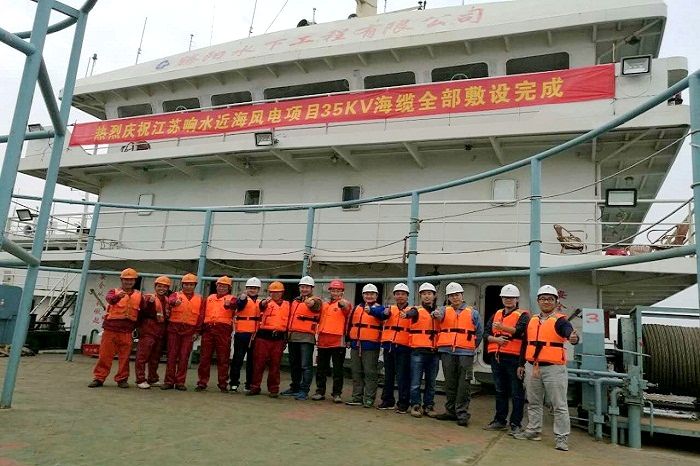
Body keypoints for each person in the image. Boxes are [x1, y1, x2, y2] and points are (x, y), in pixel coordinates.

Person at [514, 285, 580, 452]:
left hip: (554, 369)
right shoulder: (532, 320)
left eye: (550, 299)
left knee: (559, 405)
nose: (546, 302)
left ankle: (562, 438)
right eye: (543, 299)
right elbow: (526, 343)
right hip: (532, 367)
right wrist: (521, 364)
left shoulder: (561, 321)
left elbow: (569, 333)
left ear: (556, 302)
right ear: (538, 301)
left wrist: (573, 338)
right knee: (533, 402)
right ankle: (533, 431)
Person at [432, 282, 482, 427]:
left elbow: (479, 333)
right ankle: (450, 411)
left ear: (462, 295)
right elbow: (437, 315)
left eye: (457, 295)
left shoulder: (473, 312)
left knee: (464, 384)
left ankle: (462, 413)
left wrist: (470, 346)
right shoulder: (443, 310)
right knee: (450, 383)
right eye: (452, 295)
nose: (455, 297)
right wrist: (435, 314)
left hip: (465, 353)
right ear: (448, 297)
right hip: (447, 351)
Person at [483, 284, 530, 435]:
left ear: (517, 299)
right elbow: (485, 333)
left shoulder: (523, 315)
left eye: (511, 298)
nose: (508, 300)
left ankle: (516, 423)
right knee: (500, 390)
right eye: (505, 297)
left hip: (514, 359)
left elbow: (521, 332)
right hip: (497, 357)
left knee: (517, 392)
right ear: (502, 299)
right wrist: (495, 340)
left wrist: (502, 328)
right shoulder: (496, 314)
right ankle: (499, 420)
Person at [89, 268, 144, 388]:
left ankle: (122, 379)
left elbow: (142, 312)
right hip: (110, 329)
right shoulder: (113, 292)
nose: (128, 282)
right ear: (121, 280)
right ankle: (99, 378)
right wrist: (118, 296)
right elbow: (110, 300)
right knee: (105, 355)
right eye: (126, 280)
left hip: (127, 331)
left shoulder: (139, 295)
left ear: (135, 281)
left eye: (131, 280)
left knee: (125, 357)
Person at [281, 276, 322, 401]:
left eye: (307, 287)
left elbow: (315, 305)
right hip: (293, 337)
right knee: (294, 365)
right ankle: (295, 387)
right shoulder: (295, 301)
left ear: (312, 288)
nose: (304, 289)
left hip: (306, 338)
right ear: (299, 288)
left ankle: (304, 391)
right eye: (302, 287)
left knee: (306, 366)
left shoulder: (316, 300)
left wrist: (310, 302)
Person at [346, 284, 387, 408]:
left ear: (376, 296)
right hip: (356, 344)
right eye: (367, 294)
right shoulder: (356, 308)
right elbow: (350, 324)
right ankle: (357, 397)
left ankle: (369, 398)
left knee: (370, 372)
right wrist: (348, 339)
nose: (369, 296)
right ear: (363, 295)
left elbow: (383, 315)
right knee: (356, 372)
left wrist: (371, 311)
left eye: (372, 294)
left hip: (371, 345)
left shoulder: (381, 309)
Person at [248, 281, 290, 397]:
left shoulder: (288, 305)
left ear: (282, 293)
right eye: (273, 292)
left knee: (275, 365)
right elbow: (261, 306)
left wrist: (286, 338)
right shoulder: (265, 303)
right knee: (258, 363)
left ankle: (274, 389)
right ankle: (255, 387)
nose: (275, 294)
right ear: (269, 293)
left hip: (279, 338)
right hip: (263, 337)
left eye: (278, 292)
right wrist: (265, 302)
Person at [404, 282, 440, 418]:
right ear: (420, 296)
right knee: (415, 382)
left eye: (429, 293)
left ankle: (429, 406)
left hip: (434, 352)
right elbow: (410, 313)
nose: (426, 296)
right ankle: (415, 405)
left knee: (431, 383)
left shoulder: (439, 312)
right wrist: (406, 315)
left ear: (434, 295)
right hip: (418, 351)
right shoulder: (416, 311)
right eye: (424, 294)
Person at [312, 279, 351, 403]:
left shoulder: (345, 303)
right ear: (330, 291)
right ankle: (320, 391)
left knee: (338, 369)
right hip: (323, 339)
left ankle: (337, 393)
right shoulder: (324, 304)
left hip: (337, 340)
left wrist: (342, 304)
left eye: (338, 290)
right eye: (333, 290)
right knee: (321, 368)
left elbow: (346, 309)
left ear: (342, 292)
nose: (335, 293)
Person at [162, 273, 203, 391]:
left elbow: (200, 317)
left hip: (189, 331)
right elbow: (171, 301)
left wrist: (197, 332)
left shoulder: (200, 299)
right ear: (182, 285)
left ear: (195, 286)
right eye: (186, 284)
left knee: (184, 356)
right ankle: (169, 381)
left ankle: (180, 382)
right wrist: (175, 303)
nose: (188, 287)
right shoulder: (175, 295)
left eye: (191, 285)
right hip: (174, 329)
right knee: (171, 356)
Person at [195, 276, 235, 393]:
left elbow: (235, 305)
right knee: (204, 358)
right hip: (208, 329)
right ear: (216, 286)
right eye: (220, 286)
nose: (221, 288)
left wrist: (229, 304)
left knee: (223, 358)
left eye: (224, 286)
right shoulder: (209, 298)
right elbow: (202, 314)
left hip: (223, 331)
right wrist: (198, 330)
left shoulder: (232, 299)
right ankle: (202, 382)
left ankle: (223, 383)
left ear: (229, 288)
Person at [378, 283, 413, 413]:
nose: (400, 296)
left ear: (407, 296)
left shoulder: (412, 310)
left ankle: (403, 403)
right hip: (389, 346)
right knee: (388, 375)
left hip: (404, 347)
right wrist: (383, 312)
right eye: (397, 294)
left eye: (403, 294)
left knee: (402, 377)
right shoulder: (389, 309)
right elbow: (379, 314)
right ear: (394, 296)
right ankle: (387, 400)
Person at [135, 276, 171, 389]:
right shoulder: (147, 298)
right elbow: (141, 313)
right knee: (142, 356)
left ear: (168, 288)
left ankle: (153, 378)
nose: (162, 289)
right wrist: (139, 328)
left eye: (165, 287)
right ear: (155, 287)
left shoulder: (167, 300)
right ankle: (140, 379)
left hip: (160, 331)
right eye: (159, 286)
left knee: (155, 357)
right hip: (148, 330)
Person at [229, 277, 262, 392]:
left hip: (255, 334)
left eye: (255, 288)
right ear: (246, 288)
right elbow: (239, 305)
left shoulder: (260, 302)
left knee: (252, 361)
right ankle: (234, 383)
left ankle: (249, 384)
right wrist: (242, 298)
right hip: (242, 333)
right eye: (250, 288)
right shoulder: (242, 299)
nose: (252, 290)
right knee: (237, 359)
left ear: (258, 290)